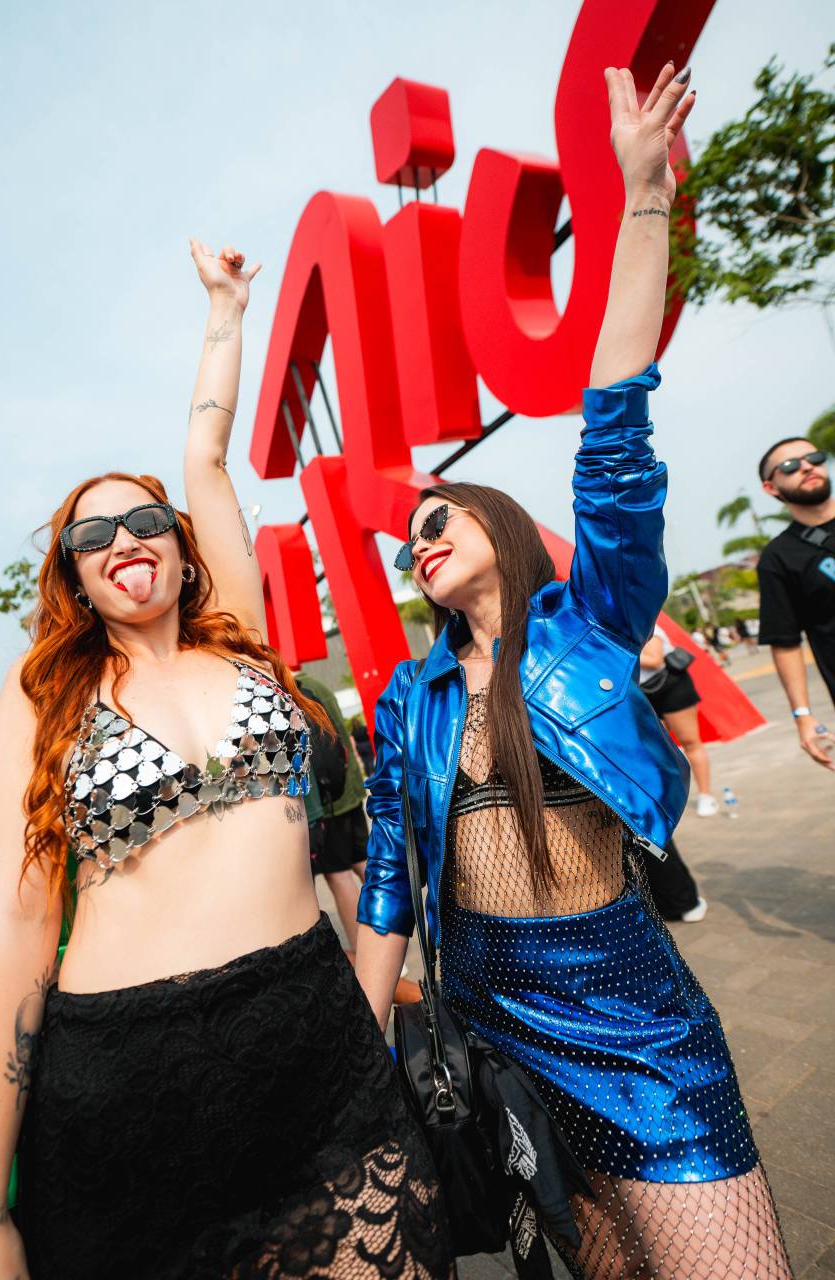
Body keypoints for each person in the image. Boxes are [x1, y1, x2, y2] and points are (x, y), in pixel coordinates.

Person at [0, 239, 451, 1279]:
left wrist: (225, 312)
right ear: (75, 576)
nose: (123, 537)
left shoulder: (240, 639)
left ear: (180, 544)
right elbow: (20, 915)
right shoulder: (45, 689)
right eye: (92, 536)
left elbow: (206, 457)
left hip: (313, 1038)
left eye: (144, 520)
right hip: (129, 1074)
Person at [355, 63, 791, 1277]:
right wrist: (360, 1053)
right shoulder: (410, 693)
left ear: (500, 526)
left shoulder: (591, 622)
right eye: (407, 537)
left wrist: (642, 192)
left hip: (625, 992)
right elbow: (389, 869)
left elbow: (615, 427)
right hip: (490, 1011)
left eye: (441, 516)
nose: (420, 538)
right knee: (591, 1258)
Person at [756, 436, 835, 770]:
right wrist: (803, 715)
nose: (806, 467)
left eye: (813, 458)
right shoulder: (778, 558)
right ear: (771, 488)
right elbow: (785, 642)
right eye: (789, 466)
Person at [296, 672, 371, 943]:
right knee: (365, 864)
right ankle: (398, 928)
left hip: (328, 804)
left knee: (339, 877)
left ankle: (367, 954)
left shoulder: (296, 691)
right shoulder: (318, 684)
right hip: (348, 790)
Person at [639, 624, 719, 816]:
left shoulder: (649, 624)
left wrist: (617, 654)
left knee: (690, 742)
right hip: (644, 693)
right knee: (654, 749)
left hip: (671, 687)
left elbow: (655, 660)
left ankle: (706, 796)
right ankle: (665, 799)